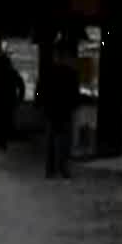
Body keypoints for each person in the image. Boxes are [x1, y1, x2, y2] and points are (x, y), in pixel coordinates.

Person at [38, 42, 81, 178]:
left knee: (50, 140)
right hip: (65, 110)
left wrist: (40, 104)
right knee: (64, 141)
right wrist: (74, 106)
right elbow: (75, 93)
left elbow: (41, 90)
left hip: (51, 110)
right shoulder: (71, 73)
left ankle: (50, 170)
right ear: (66, 57)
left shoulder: (47, 71)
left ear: (56, 56)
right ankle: (63, 168)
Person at [0, 48, 25, 149]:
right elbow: (21, 84)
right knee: (6, 120)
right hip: (9, 99)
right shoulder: (12, 72)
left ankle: (0, 141)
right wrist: (20, 98)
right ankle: (4, 141)